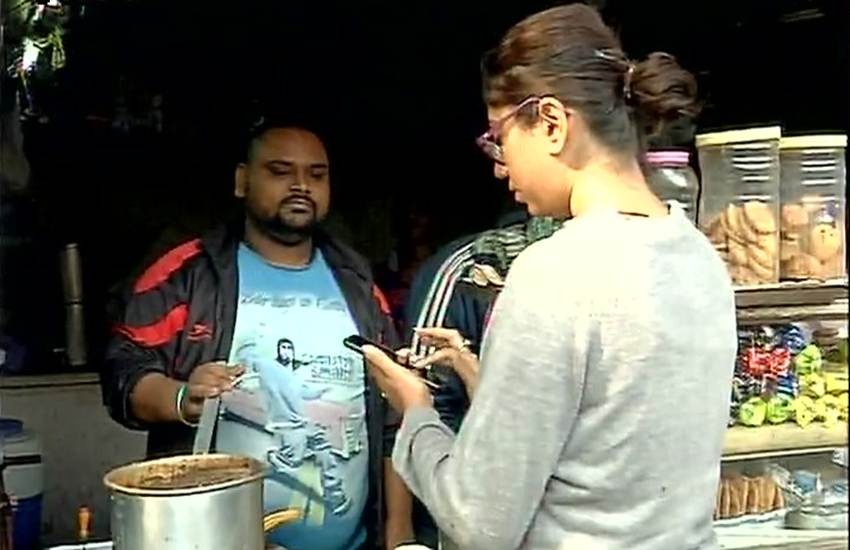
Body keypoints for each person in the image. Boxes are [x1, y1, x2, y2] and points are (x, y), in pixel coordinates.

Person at [364, 4, 736, 549]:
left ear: (553, 124)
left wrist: (416, 411)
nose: (499, 164)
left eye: (499, 136)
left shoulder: (553, 271)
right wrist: (481, 377)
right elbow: (608, 440)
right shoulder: (700, 257)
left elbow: (479, 523)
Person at [101, 121, 416, 550]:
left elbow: (395, 413)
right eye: (280, 171)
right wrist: (181, 398)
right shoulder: (190, 275)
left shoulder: (359, 285)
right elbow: (124, 370)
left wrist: (400, 530)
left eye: (316, 175)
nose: (301, 185)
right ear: (241, 181)